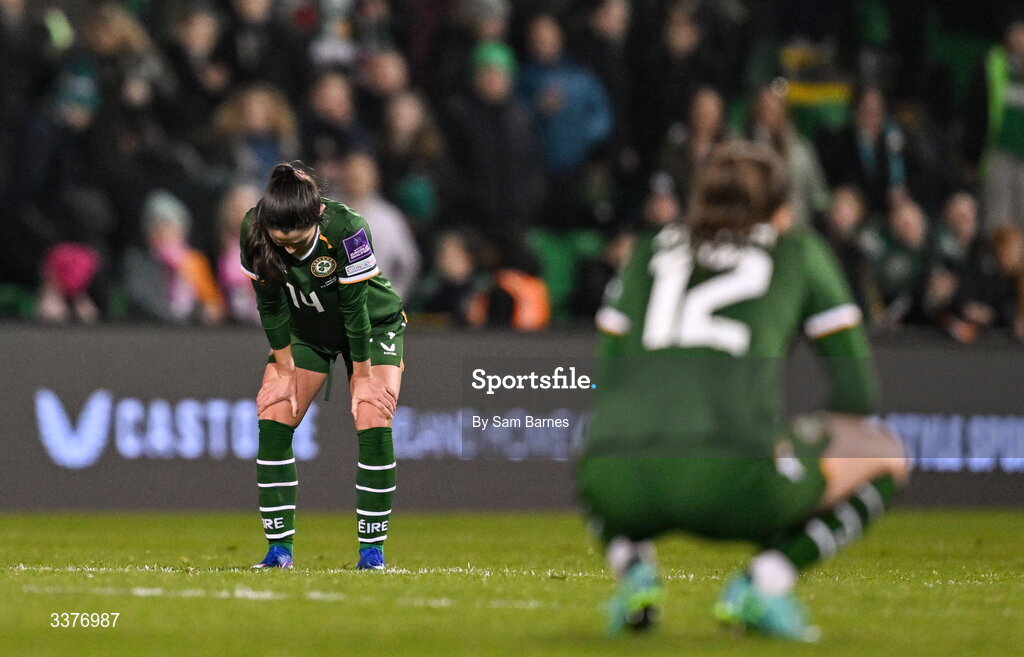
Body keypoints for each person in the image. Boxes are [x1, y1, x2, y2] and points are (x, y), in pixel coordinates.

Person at [580, 142, 908, 640]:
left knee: (596, 438)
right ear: (780, 208)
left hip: (618, 481)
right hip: (736, 480)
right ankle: (765, 582)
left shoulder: (649, 247)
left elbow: (608, 375)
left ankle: (634, 572)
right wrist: (799, 436)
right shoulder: (797, 250)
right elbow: (858, 392)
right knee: (888, 454)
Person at [241, 162, 403, 571]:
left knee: (373, 414)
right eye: (282, 240)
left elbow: (355, 309)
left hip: (372, 324)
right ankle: (278, 552)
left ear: (315, 217)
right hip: (307, 331)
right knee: (274, 413)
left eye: (298, 241)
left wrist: (363, 377)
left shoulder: (348, 228)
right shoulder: (253, 228)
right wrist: (282, 369)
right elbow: (269, 304)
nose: (290, 248)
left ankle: (372, 554)